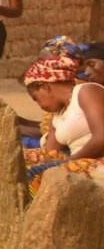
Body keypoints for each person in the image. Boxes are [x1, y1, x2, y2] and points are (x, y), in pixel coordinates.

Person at [22, 56, 104, 191]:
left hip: (99, 162)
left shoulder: (85, 92)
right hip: (79, 162)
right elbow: (50, 153)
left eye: (36, 99)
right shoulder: (57, 116)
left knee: (35, 176)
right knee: (21, 162)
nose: (40, 106)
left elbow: (101, 137)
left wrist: (69, 160)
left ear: (44, 87)